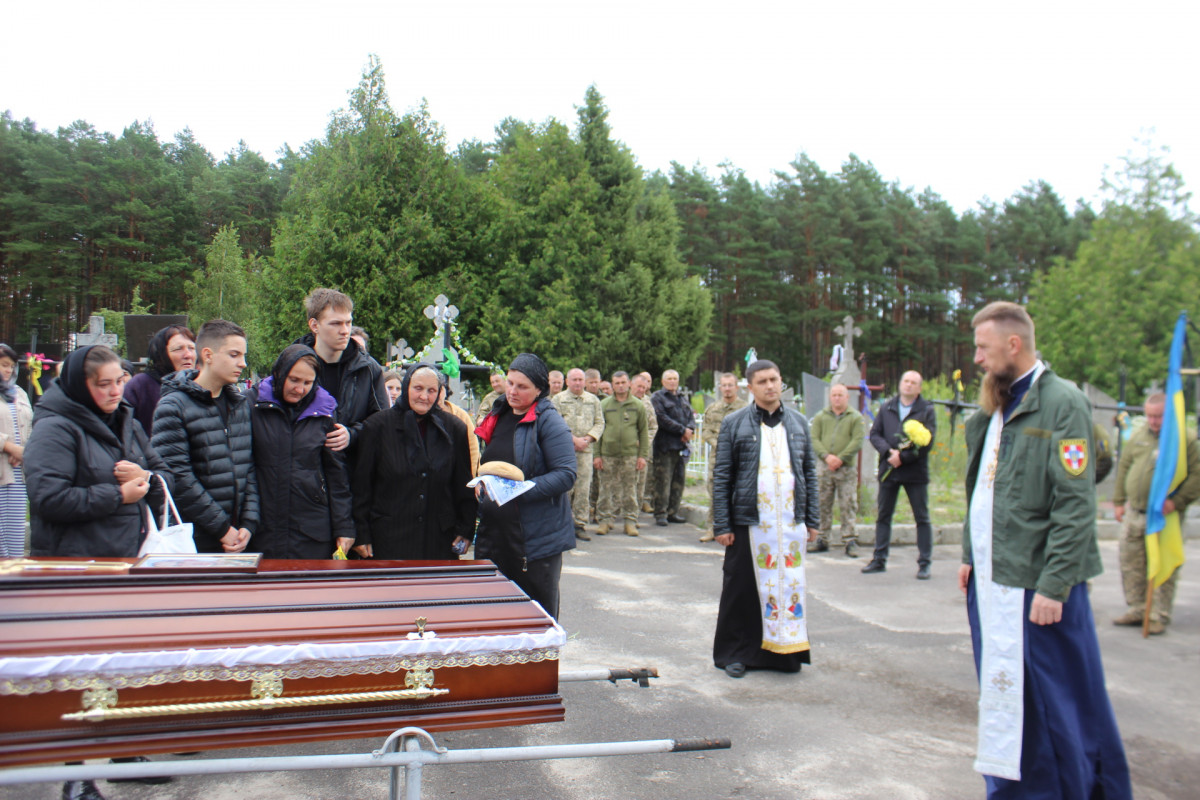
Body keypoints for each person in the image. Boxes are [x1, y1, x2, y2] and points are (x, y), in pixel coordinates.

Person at [960, 301, 1131, 797]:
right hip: (995, 584)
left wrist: (1055, 586)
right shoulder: (995, 404)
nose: (976, 358)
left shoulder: (1061, 403)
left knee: (1059, 704)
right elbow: (984, 490)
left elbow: (1074, 505)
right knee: (1006, 696)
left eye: (982, 347)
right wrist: (971, 555)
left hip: (1040, 587)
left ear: (1014, 345)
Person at [25, 345, 177, 800]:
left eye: (119, 381)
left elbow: (160, 472)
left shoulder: (125, 417)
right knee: (80, 673)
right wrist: (118, 496)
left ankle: (124, 754)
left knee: (123, 665)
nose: (115, 391)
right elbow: (47, 498)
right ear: (80, 385)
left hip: (126, 562)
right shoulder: (55, 426)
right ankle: (76, 776)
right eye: (103, 384)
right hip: (77, 568)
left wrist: (145, 477)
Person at [711, 359, 819, 678]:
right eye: (763, 381)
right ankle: (736, 653)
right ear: (750, 387)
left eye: (774, 379)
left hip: (789, 523)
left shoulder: (798, 423)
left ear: (781, 381)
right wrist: (722, 524)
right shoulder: (735, 423)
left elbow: (809, 473)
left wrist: (812, 519)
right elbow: (722, 476)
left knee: (787, 587)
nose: (770, 386)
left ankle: (784, 652)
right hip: (749, 521)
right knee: (741, 587)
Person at [474, 353, 576, 619]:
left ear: (539, 390)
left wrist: (519, 490)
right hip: (495, 535)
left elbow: (566, 474)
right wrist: (483, 482)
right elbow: (493, 461)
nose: (512, 391)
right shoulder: (499, 412)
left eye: (522, 386)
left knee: (534, 617)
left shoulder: (548, 420)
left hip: (533, 541)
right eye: (510, 383)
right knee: (495, 614)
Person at [152, 320, 258, 554]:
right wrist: (222, 529)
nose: (243, 363)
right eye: (234, 354)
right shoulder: (173, 406)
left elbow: (248, 466)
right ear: (208, 355)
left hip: (237, 538)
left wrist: (248, 524)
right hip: (194, 539)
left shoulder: (239, 405)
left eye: (243, 355)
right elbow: (178, 477)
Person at [352, 363, 476, 560]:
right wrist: (361, 533)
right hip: (389, 539)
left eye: (431, 390)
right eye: (418, 388)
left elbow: (463, 484)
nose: (424, 397)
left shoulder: (454, 429)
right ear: (407, 386)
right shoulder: (377, 426)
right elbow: (362, 487)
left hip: (438, 539)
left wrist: (465, 529)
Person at [249, 345, 355, 559]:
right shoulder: (252, 405)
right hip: (262, 528)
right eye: (294, 380)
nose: (300, 389)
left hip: (309, 532)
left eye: (308, 383)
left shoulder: (324, 412)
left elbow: (336, 473)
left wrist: (344, 526)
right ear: (279, 374)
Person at [1111, 392, 1200, 634]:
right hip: (1135, 512)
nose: (1153, 421)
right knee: (1131, 561)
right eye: (1149, 416)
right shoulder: (1139, 436)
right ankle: (1138, 607)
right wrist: (1119, 501)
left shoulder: (1183, 439)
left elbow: (1196, 476)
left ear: (1168, 414)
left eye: (1158, 416)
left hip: (1165, 515)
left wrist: (1177, 501)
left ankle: (1158, 612)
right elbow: (1125, 467)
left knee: (1162, 565)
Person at [862, 370, 936, 578]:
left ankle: (924, 563)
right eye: (906, 381)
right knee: (883, 516)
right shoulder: (887, 407)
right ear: (900, 384)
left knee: (922, 517)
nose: (909, 385)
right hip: (889, 470)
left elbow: (927, 442)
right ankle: (879, 559)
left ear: (919, 388)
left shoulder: (926, 410)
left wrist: (903, 458)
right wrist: (888, 452)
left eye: (914, 383)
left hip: (914, 472)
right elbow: (875, 433)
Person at [295, 288, 386, 454]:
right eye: (336, 323)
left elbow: (383, 421)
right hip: (306, 469)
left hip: (352, 470)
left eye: (348, 322)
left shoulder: (368, 368)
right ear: (314, 325)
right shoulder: (293, 366)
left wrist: (352, 435)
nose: (345, 331)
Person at [810, 383, 865, 557]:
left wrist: (840, 458)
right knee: (822, 503)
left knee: (848, 503)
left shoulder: (855, 417)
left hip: (846, 468)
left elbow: (857, 441)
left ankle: (849, 540)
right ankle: (822, 538)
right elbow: (814, 438)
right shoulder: (820, 417)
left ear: (847, 397)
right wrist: (827, 457)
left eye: (840, 395)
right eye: (834, 395)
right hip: (824, 468)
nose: (837, 398)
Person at [551, 368, 604, 540]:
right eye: (574, 379)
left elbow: (599, 423)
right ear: (567, 381)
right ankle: (561, 525)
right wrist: (574, 440)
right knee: (565, 488)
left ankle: (579, 524)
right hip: (564, 451)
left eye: (581, 379)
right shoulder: (558, 400)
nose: (578, 383)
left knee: (583, 488)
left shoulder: (593, 400)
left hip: (586, 452)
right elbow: (555, 423)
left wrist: (587, 439)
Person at [594, 371, 649, 537]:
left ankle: (630, 521)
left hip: (630, 454)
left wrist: (642, 456)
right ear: (612, 384)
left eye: (623, 382)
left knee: (630, 489)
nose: (620, 386)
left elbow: (643, 432)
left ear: (629, 383)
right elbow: (598, 430)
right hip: (607, 454)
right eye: (616, 383)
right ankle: (604, 520)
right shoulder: (604, 405)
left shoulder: (637, 405)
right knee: (605, 489)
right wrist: (596, 455)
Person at [123, 324, 196, 436]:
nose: (188, 355)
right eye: (178, 349)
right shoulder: (141, 385)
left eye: (191, 348)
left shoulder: (200, 386)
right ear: (162, 354)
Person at [700, 372, 747, 542]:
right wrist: (718, 444)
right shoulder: (713, 409)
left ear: (736, 387)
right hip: (718, 458)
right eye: (724, 385)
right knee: (715, 492)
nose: (727, 389)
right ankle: (713, 528)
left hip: (738, 458)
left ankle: (737, 529)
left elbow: (749, 431)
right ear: (720, 388)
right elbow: (706, 430)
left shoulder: (745, 409)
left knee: (738, 493)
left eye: (730, 385)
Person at [0, 344, 33, 558]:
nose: (8, 371)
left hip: (17, 472)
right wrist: (8, 446)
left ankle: (13, 582)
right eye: (3, 365)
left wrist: (23, 450)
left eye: (11, 366)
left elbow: (30, 424)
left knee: (14, 535)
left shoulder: (18, 392)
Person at [651, 369, 694, 527]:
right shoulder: (657, 397)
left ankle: (673, 512)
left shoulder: (682, 398)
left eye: (675, 378)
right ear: (663, 381)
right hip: (665, 446)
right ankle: (660, 513)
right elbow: (661, 418)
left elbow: (691, 416)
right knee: (663, 481)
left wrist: (689, 430)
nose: (672, 381)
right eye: (669, 378)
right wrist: (682, 430)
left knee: (679, 481)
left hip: (681, 446)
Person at [437, 373, 480, 477]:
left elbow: (473, 449)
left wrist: (472, 477)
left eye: (440, 389)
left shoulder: (460, 415)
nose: (437, 394)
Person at [633, 372, 658, 514]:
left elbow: (653, 426)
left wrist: (644, 442)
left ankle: (635, 511)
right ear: (631, 385)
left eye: (644, 387)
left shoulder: (647, 401)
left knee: (641, 480)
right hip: (625, 448)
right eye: (639, 386)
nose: (641, 390)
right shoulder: (623, 400)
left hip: (643, 448)